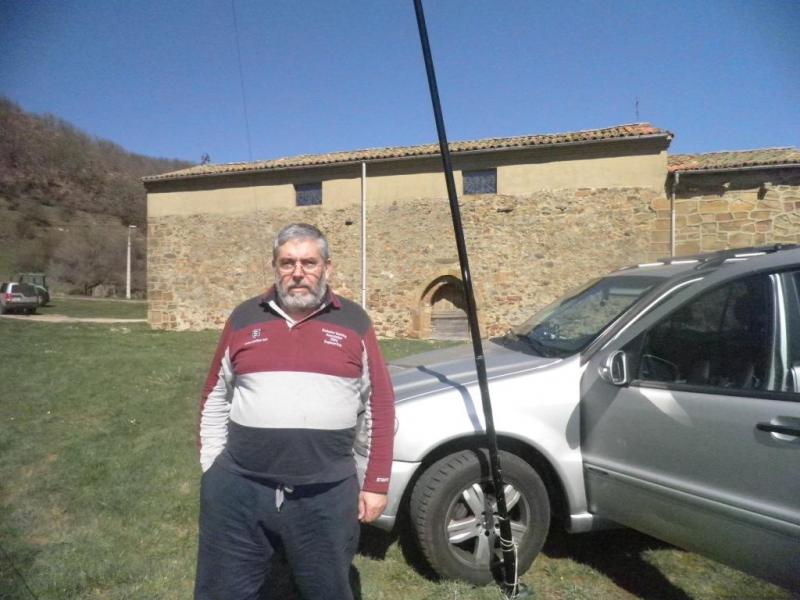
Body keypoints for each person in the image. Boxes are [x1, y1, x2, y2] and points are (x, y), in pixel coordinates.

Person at [194, 223, 395, 600]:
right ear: (275, 266)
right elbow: (215, 394)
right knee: (225, 590)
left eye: (309, 262)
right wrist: (213, 465)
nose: (298, 272)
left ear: (327, 267)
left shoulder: (355, 322)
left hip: (325, 493)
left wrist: (375, 483)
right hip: (240, 491)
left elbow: (379, 403)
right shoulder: (244, 317)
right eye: (287, 263)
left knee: (326, 590)